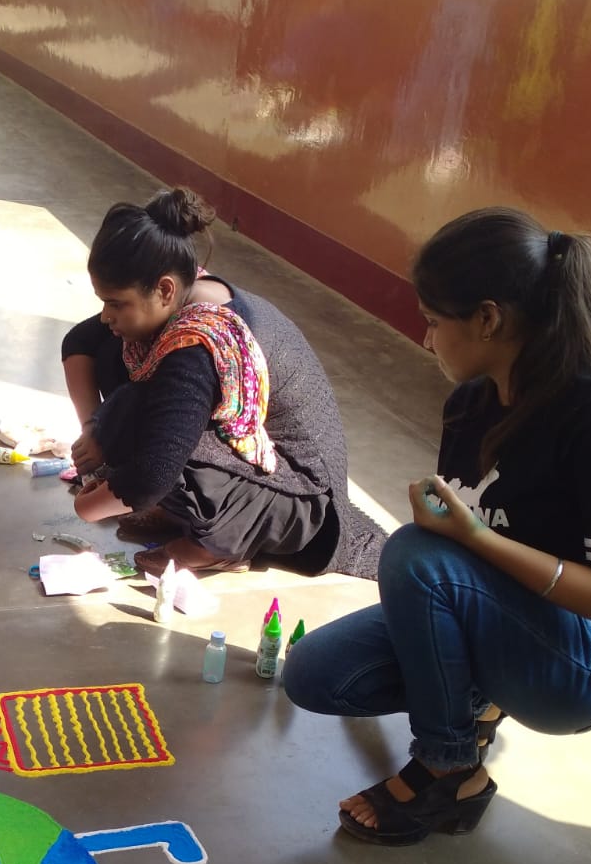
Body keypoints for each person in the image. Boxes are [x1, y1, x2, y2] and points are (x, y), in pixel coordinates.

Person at [283, 207, 591, 845]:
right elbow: (461, 559)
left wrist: (475, 540)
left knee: (413, 555)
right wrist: (452, 531)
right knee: (313, 673)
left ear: (488, 318)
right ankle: (475, 710)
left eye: (435, 323)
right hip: (502, 619)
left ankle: (448, 766)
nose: (427, 341)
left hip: (583, 669)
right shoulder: (469, 405)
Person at [65, 189, 385, 580]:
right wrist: (93, 432)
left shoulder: (199, 344)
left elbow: (154, 473)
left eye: (115, 304)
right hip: (258, 468)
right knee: (120, 366)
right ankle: (187, 511)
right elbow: (80, 343)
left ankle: (217, 545)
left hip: (301, 499)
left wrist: (89, 504)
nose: (105, 315)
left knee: (142, 417)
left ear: (164, 290)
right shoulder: (183, 288)